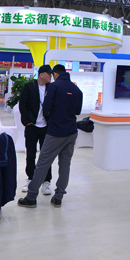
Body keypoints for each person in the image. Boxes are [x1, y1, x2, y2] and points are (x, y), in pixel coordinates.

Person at [18, 64, 82, 208]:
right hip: (72, 132)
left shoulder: (54, 87)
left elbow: (46, 108)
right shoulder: (77, 89)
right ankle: (58, 197)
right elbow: (77, 111)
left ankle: (31, 197)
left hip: (56, 132)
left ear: (55, 74)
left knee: (43, 163)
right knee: (65, 164)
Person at [18, 65, 54, 195]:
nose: (51, 76)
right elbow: (22, 104)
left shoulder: (52, 88)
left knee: (46, 155)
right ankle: (31, 179)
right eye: (49, 74)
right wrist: (26, 121)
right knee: (30, 154)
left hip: (46, 127)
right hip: (32, 126)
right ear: (41, 75)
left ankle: (46, 181)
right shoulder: (29, 86)